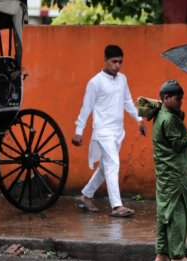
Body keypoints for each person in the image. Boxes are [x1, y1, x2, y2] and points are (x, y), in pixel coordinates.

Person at [72, 45, 146, 217]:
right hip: (102, 131)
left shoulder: (122, 79)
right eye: (114, 62)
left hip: (118, 131)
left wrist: (139, 119)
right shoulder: (95, 82)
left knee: (105, 167)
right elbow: (86, 108)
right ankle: (117, 206)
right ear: (105, 60)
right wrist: (78, 130)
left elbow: (127, 101)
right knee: (113, 164)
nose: (117, 65)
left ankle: (86, 195)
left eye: (120, 62)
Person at [152, 80, 187, 261]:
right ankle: (177, 255)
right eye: (178, 99)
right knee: (177, 216)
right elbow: (179, 144)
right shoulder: (169, 119)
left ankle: (163, 253)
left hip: (166, 174)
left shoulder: (161, 115)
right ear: (166, 98)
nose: (181, 102)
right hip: (175, 175)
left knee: (165, 214)